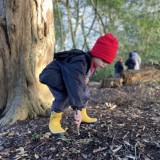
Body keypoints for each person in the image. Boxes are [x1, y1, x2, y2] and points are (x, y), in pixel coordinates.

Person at [39, 33, 119, 136]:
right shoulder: (80, 61)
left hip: (67, 77)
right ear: (96, 54)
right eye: (104, 60)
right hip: (53, 76)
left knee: (85, 91)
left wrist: (85, 80)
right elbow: (75, 85)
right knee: (65, 95)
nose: (105, 64)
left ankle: (84, 114)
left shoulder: (92, 64)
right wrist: (77, 109)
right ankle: (54, 121)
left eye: (108, 63)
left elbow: (80, 81)